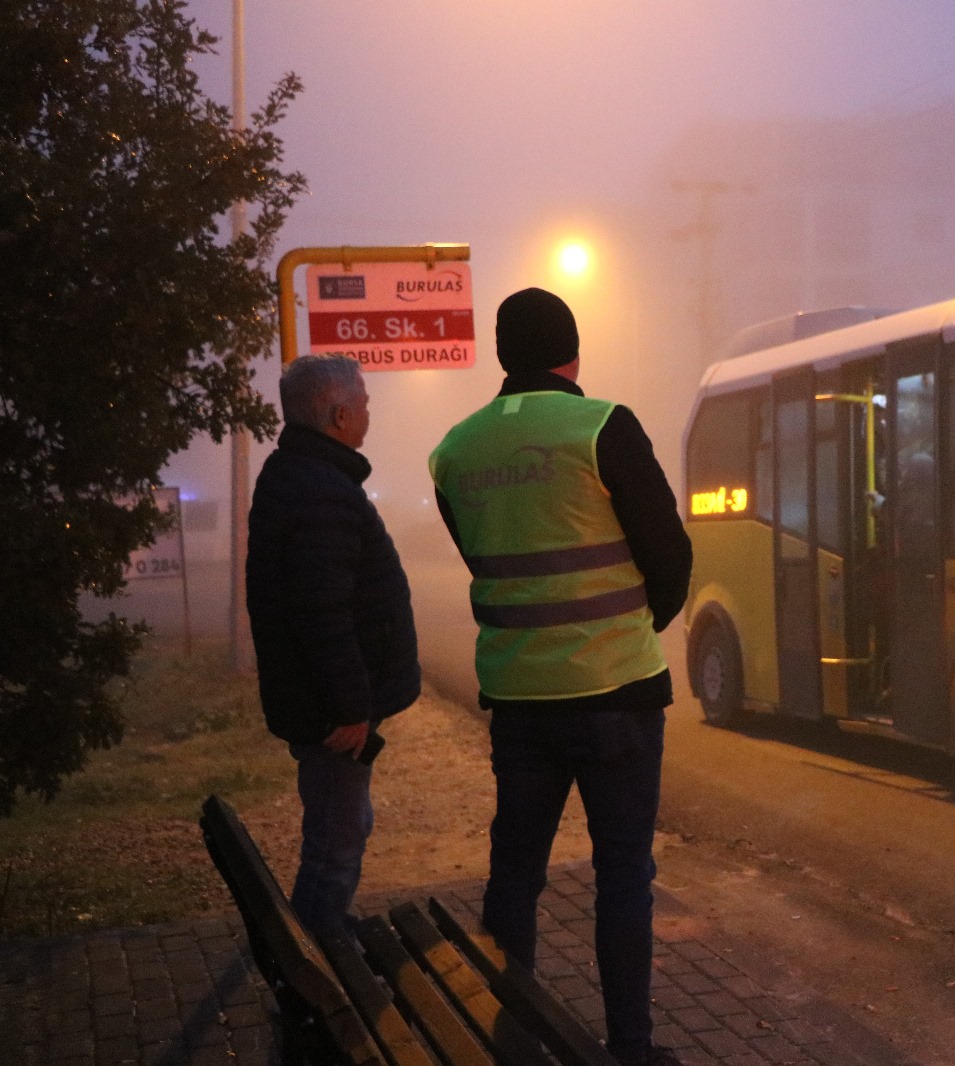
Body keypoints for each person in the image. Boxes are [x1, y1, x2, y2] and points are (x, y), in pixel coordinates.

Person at [429, 288, 693, 1066]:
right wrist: (634, 629)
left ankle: (507, 1038)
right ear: (572, 354)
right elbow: (669, 556)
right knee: (622, 879)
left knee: (514, 872)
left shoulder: (454, 451)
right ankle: (632, 1051)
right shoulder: (601, 427)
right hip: (617, 693)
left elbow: (485, 558)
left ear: (503, 357)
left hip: (517, 698)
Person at [246, 353, 421, 937]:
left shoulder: (298, 475)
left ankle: (321, 947)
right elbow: (323, 612)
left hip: (316, 702)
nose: (369, 411)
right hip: (331, 714)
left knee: (341, 829)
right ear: (340, 415)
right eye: (364, 402)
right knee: (335, 844)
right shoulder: (321, 490)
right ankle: (315, 978)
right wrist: (351, 707)